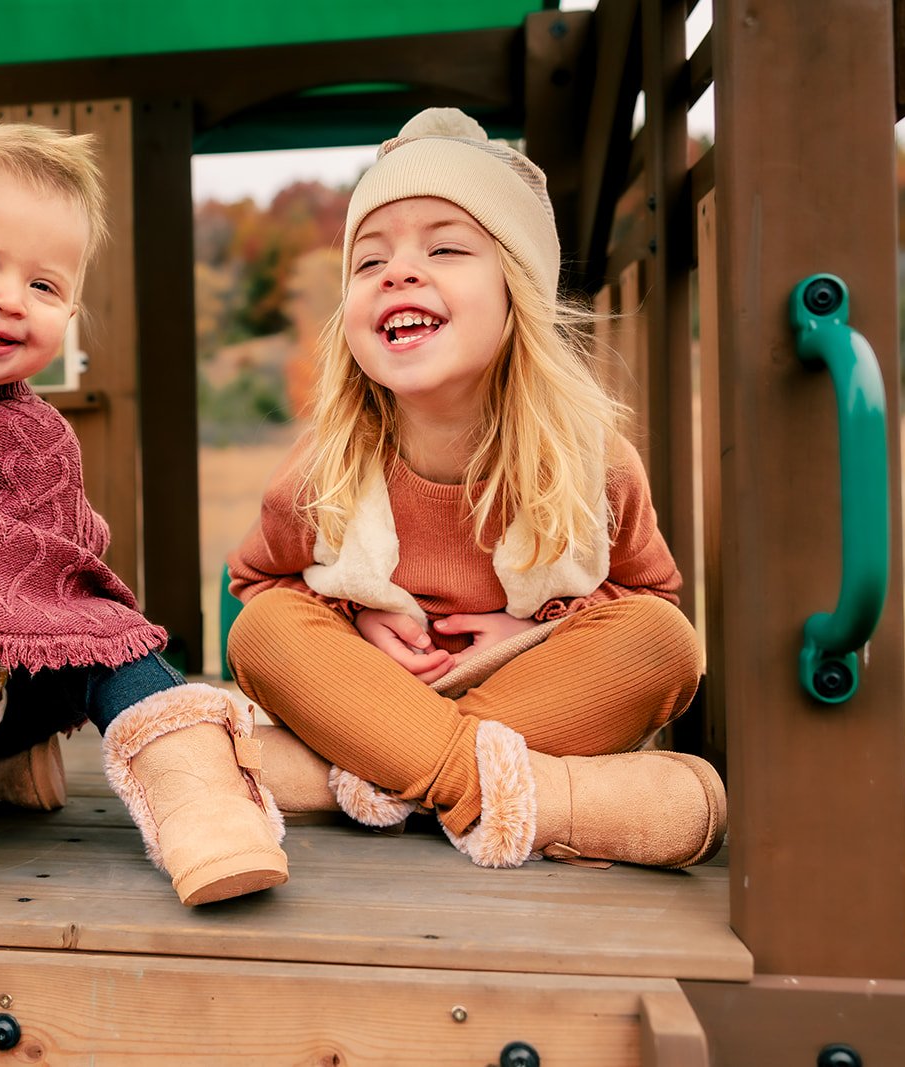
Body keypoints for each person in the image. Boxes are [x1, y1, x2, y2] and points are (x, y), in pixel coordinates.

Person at [225, 109, 726, 869]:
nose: (397, 272)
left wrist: (532, 632)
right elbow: (257, 584)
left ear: (516, 293)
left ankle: (376, 778)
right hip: (376, 691)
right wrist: (355, 620)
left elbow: (647, 604)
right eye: (367, 262)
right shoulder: (324, 469)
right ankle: (513, 791)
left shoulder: (594, 464)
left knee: (665, 645)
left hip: (527, 692)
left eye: (447, 248)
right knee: (260, 634)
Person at [0, 123, 287, 905]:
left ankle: (202, 804)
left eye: (45, 287)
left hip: (8, 686)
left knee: (106, 633)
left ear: (69, 310)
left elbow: (61, 583)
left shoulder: (38, 439)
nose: (11, 299)